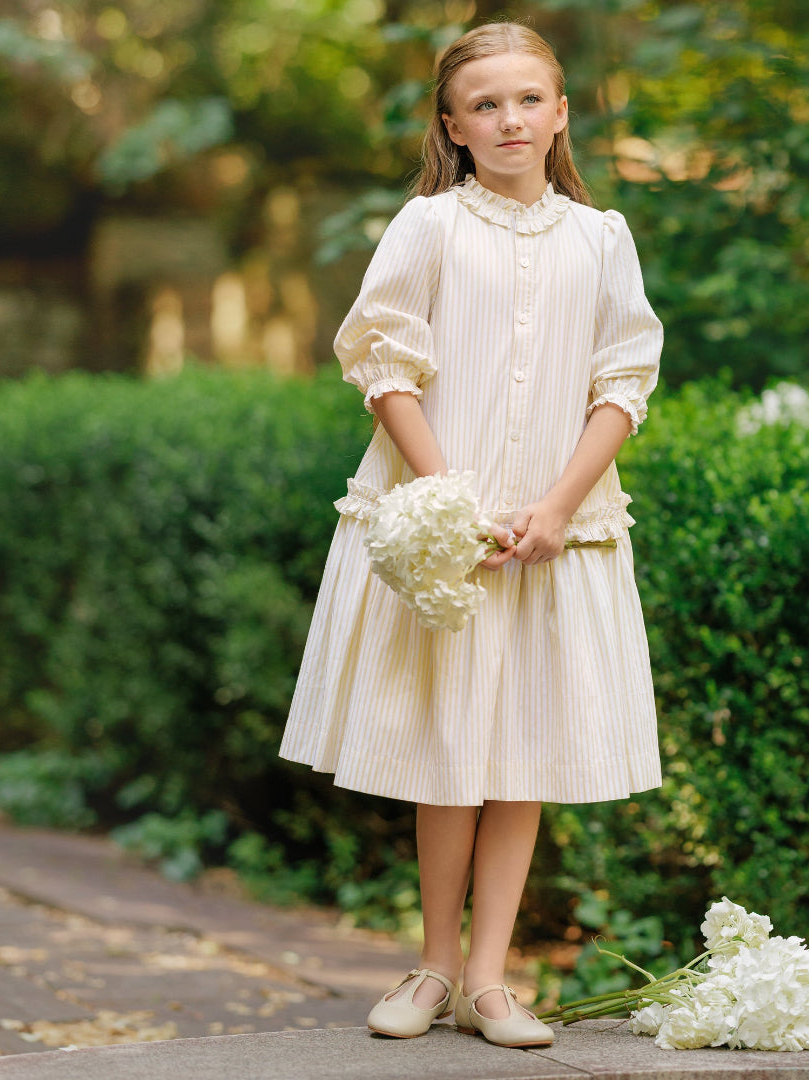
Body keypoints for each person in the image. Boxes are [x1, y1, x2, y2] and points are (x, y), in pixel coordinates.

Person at [279, 21, 663, 1049]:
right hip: (444, 531)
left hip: (556, 533)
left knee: (522, 752)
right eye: (485, 105)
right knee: (449, 745)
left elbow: (623, 382)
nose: (510, 120)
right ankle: (432, 966)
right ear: (452, 124)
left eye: (528, 99)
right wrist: (451, 501)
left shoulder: (602, 237)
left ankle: (494, 980)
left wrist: (556, 508)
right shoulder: (428, 226)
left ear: (562, 111)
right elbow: (383, 366)